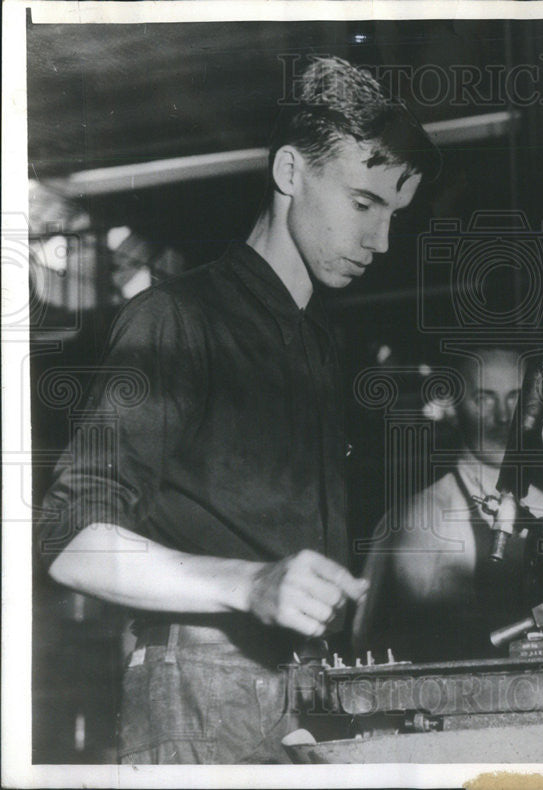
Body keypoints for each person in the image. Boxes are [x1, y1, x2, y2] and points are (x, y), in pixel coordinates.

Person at [36, 56, 439, 764]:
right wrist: (251, 584)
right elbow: (69, 541)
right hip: (197, 693)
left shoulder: (315, 343)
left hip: (297, 692)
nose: (380, 243)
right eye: (363, 204)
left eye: (394, 216)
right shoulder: (177, 320)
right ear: (290, 173)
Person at [352, 347, 543, 662]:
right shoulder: (418, 521)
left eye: (515, 398)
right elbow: (370, 648)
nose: (502, 416)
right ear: (454, 407)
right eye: (484, 399)